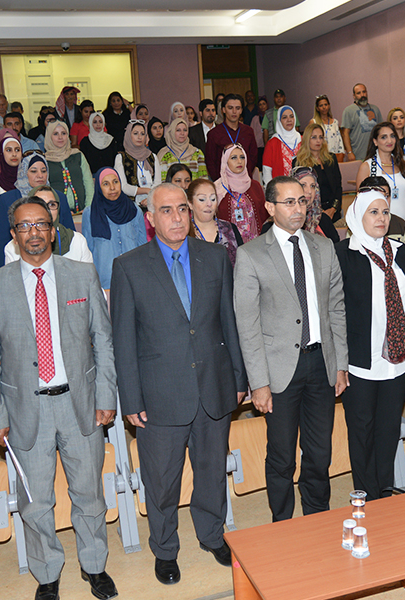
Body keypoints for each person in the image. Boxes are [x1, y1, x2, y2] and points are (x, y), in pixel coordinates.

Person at [0, 195, 119, 600]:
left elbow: (103, 341)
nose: (34, 232)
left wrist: (106, 395)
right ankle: (48, 573)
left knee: (89, 493)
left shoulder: (81, 274)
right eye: (24, 226)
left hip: (80, 404)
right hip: (25, 409)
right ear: (13, 234)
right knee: (35, 501)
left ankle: (94, 565)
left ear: (53, 231)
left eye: (41, 224)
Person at [110, 183, 248, 585]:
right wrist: (130, 398)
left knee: (211, 470)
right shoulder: (129, 266)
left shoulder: (215, 256)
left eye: (182, 209)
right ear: (151, 218)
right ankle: (165, 549)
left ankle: (212, 535)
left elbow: (229, 322)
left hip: (213, 386)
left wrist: (238, 378)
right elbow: (123, 340)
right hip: (159, 394)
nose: (176, 217)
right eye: (166, 210)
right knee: (162, 481)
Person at [234, 176, 349, 522]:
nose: (298, 208)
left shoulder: (323, 247)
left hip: (321, 364)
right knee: (282, 456)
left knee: (320, 452)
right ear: (270, 208)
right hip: (279, 370)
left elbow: (336, 309)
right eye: (289, 202)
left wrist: (340, 364)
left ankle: (317, 516)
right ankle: (282, 524)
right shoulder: (251, 255)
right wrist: (259, 383)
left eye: (302, 201)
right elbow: (248, 325)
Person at [336, 188, 405, 500]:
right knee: (362, 433)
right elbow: (335, 311)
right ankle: (365, 496)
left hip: (397, 360)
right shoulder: (344, 253)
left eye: (385, 212)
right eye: (373, 212)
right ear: (358, 216)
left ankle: (384, 494)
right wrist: (339, 363)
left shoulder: (398, 250)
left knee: (387, 432)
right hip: (360, 361)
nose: (381, 218)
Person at [0, 153, 76, 268]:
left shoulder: (58, 197)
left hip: (59, 257)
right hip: (18, 258)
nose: (40, 175)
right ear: (23, 172)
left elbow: (70, 231)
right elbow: (2, 240)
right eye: (33, 171)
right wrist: (5, 271)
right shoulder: (7, 199)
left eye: (44, 171)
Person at [82, 167, 147, 290]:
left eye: (115, 182)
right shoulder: (90, 213)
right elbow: (88, 250)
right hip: (105, 279)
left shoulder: (134, 210)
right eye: (106, 184)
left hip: (133, 276)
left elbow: (142, 246)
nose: (112, 188)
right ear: (99, 187)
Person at [5, 186, 92, 266]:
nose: (47, 210)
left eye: (52, 204)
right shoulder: (13, 248)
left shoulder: (77, 241)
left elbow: (88, 276)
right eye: (40, 204)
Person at [355, 122, 405, 236]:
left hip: (404, 226)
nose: (389, 140)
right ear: (375, 141)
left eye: (392, 136)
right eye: (384, 137)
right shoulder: (367, 167)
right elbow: (360, 202)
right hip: (379, 225)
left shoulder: (402, 165)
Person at [214, 144, 267, 243]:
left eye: (242, 157)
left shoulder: (255, 186)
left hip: (256, 243)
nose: (239, 161)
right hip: (229, 244)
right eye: (233, 158)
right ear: (225, 161)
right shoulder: (218, 188)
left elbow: (264, 216)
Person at [187, 177, 243, 266]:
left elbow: (243, 264)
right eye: (202, 199)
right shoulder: (184, 233)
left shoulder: (230, 229)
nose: (209, 204)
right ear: (190, 204)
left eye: (213, 199)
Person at [293, 123, 343, 221]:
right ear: (307, 139)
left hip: (333, 211)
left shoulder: (331, 159)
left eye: (321, 137)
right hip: (311, 213)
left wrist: (333, 209)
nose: (318, 141)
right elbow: (300, 192)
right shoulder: (299, 162)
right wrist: (320, 211)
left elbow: (338, 186)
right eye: (314, 137)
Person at [205, 93, 258, 181]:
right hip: (223, 182)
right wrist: (221, 181)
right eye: (230, 108)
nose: (234, 111)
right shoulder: (214, 134)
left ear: (241, 110)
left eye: (237, 108)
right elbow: (210, 162)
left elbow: (253, 158)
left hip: (245, 180)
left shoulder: (248, 131)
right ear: (223, 110)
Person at [359, 176, 405, 255]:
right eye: (377, 196)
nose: (383, 200)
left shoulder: (400, 224)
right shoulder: (356, 224)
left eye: (386, 196)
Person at [44, 121, 94, 212]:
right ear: (49, 136)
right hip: (57, 213)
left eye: (63, 133)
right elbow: (44, 189)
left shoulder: (77, 155)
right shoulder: (44, 161)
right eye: (55, 134)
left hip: (82, 211)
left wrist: (88, 208)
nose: (60, 137)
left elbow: (88, 182)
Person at [114, 120, 160, 210]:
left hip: (152, 203)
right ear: (128, 135)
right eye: (135, 133)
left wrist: (150, 198)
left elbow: (157, 183)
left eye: (142, 134)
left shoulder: (152, 156)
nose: (139, 137)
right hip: (129, 206)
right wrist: (146, 191)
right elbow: (123, 186)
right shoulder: (121, 158)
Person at [289, 166, 339, 241]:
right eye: (303, 185)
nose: (309, 191)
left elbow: (335, 246)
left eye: (312, 186)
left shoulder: (323, 219)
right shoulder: (284, 221)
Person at [341, 84, 382, 161]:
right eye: (358, 93)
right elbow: (345, 133)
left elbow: (381, 130)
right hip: (357, 156)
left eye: (364, 92)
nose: (362, 95)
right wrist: (349, 152)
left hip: (375, 155)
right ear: (354, 96)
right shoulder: (348, 111)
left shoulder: (375, 109)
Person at [262, 105, 301, 186]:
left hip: (301, 187)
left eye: (291, 116)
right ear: (279, 121)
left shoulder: (302, 140)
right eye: (284, 117)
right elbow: (267, 170)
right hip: (280, 188)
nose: (289, 120)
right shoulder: (272, 143)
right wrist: (271, 189)